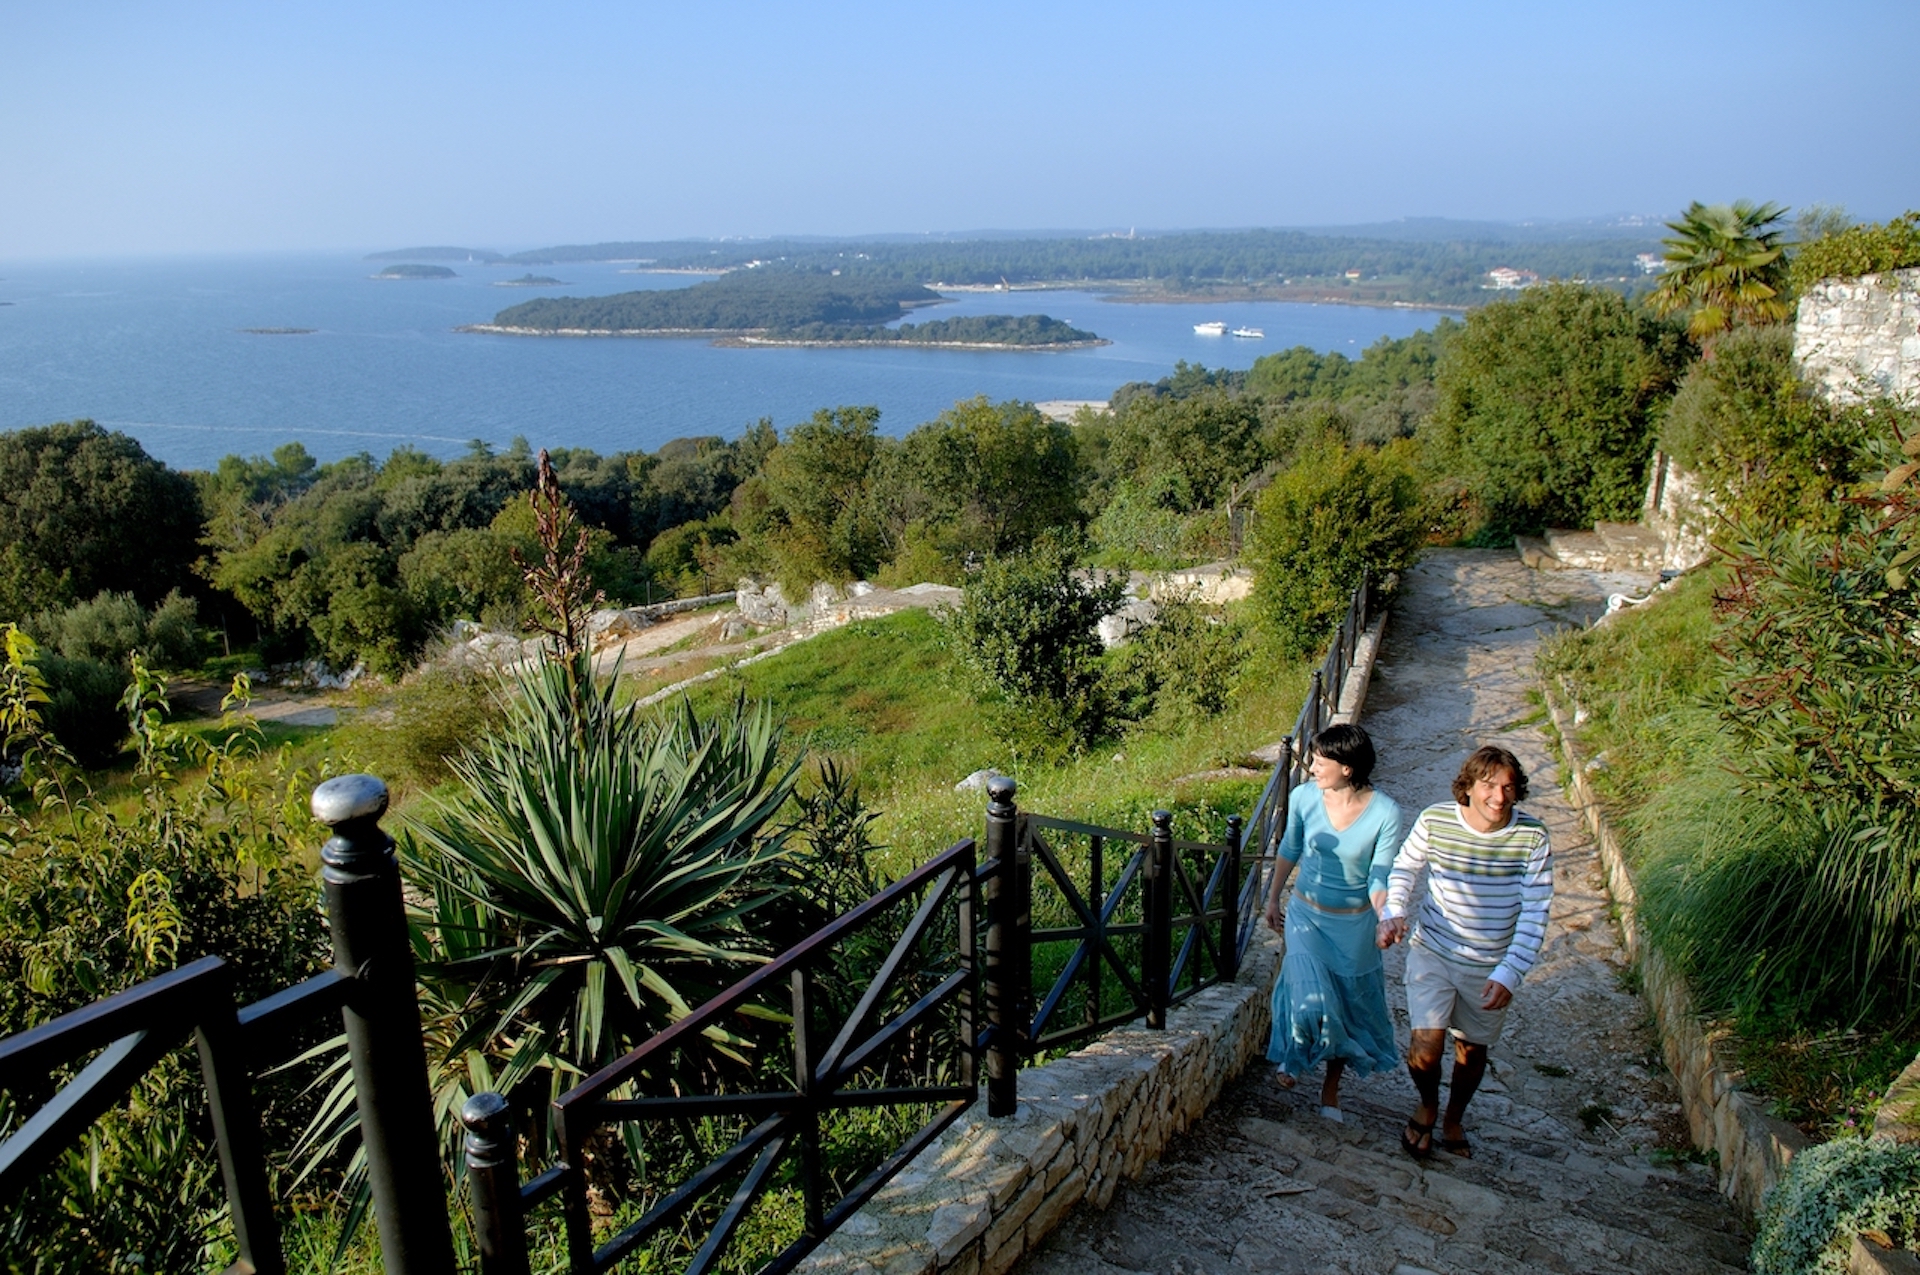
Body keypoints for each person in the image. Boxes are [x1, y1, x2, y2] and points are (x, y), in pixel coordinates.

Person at [1378, 745, 1553, 1160]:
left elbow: (1536, 912)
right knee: (1425, 1047)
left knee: (1472, 1050)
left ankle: (1454, 1117)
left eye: (1508, 788)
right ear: (1468, 787)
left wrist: (1511, 971)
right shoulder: (1436, 820)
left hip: (1490, 965)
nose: (1499, 797)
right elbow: (1405, 868)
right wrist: (1394, 912)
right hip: (1433, 952)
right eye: (1489, 785)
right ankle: (1427, 1105)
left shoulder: (1532, 837)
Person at [1262, 723, 1403, 1122]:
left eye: (1321, 760)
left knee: (1346, 1007)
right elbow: (1290, 847)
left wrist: (1384, 917)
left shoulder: (1386, 813)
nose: (1312, 766)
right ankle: (1294, 1054)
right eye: (1312, 757)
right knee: (1308, 995)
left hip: (1354, 927)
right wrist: (1274, 897)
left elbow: (1379, 875)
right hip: (1306, 915)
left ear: (1348, 767)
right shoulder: (1305, 797)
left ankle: (1331, 1090)